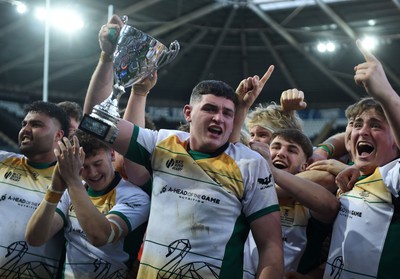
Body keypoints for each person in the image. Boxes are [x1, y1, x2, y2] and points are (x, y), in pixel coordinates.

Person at [82, 72, 284, 277]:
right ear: (188, 113)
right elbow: (94, 123)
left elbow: (271, 246)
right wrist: (106, 58)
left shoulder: (250, 164)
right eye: (210, 109)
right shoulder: (163, 143)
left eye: (227, 113)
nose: (218, 118)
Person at [25, 129, 150, 278]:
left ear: (112, 154)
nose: (92, 173)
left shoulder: (136, 196)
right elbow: (35, 238)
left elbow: (100, 237)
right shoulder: (72, 189)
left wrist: (73, 181)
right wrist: (55, 190)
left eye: (97, 164)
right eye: (83, 167)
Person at [323, 40, 400, 279]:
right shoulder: (341, 176)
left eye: (375, 125)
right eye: (356, 125)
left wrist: (387, 95)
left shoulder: (394, 178)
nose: (363, 132)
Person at [243, 129, 339, 278]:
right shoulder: (249, 187)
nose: (281, 153)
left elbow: (331, 207)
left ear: (304, 166)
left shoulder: (308, 203)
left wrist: (273, 172)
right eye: (275, 147)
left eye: (292, 150)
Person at [0, 100, 69, 278]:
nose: (25, 129)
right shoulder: (3, 162)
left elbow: (40, 236)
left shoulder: (69, 181)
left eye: (36, 124)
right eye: (24, 124)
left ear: (58, 135)